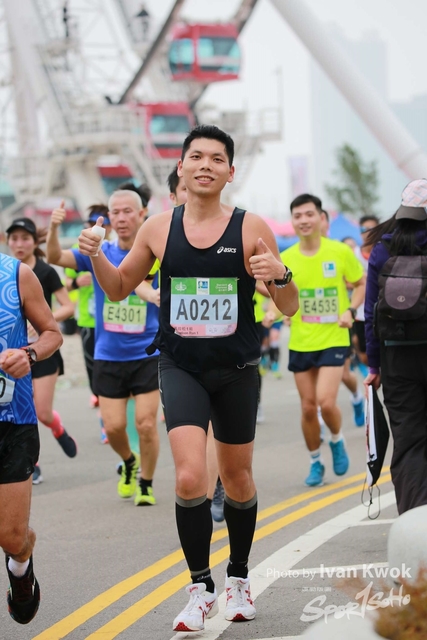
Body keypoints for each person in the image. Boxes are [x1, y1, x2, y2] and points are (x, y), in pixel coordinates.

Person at [78, 124, 299, 631]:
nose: (205, 166)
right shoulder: (159, 228)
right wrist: (94, 254)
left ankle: (238, 577)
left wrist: (280, 274)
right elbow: (118, 289)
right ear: (181, 167)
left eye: (216, 159)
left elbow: (287, 307)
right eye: (196, 157)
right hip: (180, 366)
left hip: (237, 370)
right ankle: (200, 588)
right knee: (189, 477)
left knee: (238, 479)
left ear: (230, 172)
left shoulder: (249, 228)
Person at [46, 190, 160, 506]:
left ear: (142, 214)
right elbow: (54, 257)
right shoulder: (99, 250)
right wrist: (53, 228)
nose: (121, 218)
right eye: (115, 212)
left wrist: (155, 295)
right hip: (108, 353)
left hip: (148, 352)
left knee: (146, 424)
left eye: (128, 211)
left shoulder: (157, 253)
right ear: (108, 218)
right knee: (113, 427)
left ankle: (146, 483)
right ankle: (129, 461)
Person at [280, 194, 365, 487]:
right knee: (307, 408)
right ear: (292, 222)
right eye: (298, 216)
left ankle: (337, 440)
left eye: (309, 214)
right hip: (301, 341)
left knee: (326, 403)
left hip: (333, 337)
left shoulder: (339, 251)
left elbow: (360, 283)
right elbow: (275, 291)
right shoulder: (287, 258)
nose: (304, 220)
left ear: (320, 218)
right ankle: (315, 461)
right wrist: (281, 310)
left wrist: (350, 310)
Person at [0, 249, 62, 624]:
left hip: (13, 420)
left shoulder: (17, 275)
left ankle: (21, 565)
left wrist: (29, 354)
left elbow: (52, 334)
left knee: (11, 537)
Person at [364, 179, 427, 514]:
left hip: (395, 356)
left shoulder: (382, 247)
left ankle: (415, 520)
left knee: (409, 441)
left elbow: (370, 313)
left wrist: (373, 366)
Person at [168, 164, 225, 523]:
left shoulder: (234, 228)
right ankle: (202, 493)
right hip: (179, 357)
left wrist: (276, 281)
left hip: (226, 356)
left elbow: (274, 290)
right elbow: (128, 280)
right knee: (191, 442)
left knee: (214, 431)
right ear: (175, 194)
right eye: (183, 190)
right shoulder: (160, 232)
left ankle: (216, 485)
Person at [6, 218, 77, 485]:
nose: (19, 244)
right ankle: (31, 465)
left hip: (42, 352)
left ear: (35, 242)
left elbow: (68, 307)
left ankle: (57, 428)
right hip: (12, 356)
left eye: (25, 238)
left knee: (42, 412)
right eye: (14, 239)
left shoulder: (44, 271)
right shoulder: (6, 273)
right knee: (18, 410)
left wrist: (42, 321)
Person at [64, 206, 111, 407]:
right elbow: (66, 283)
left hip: (113, 320)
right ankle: (98, 398)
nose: (96, 228)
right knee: (93, 365)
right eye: (91, 223)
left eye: (101, 224)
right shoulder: (80, 248)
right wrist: (76, 282)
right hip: (88, 319)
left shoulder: (118, 248)